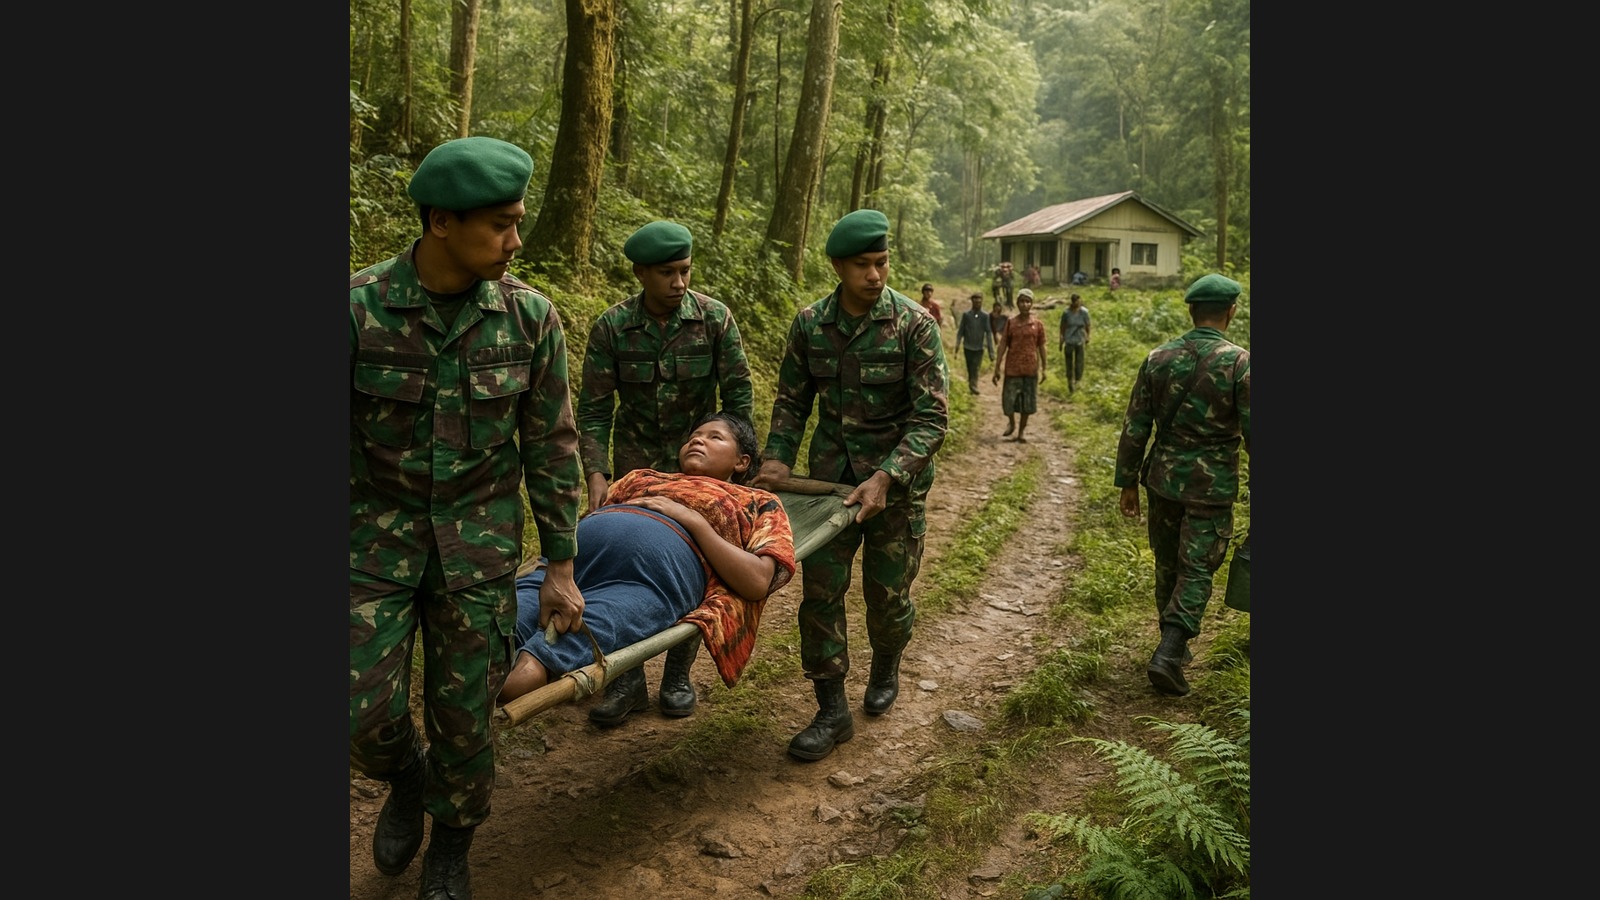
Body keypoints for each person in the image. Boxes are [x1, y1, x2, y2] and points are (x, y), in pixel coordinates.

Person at [349, 135, 587, 899]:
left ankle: (451, 848)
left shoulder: (528, 319)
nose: (516, 241)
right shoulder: (358, 307)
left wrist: (560, 565)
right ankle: (405, 777)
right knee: (360, 712)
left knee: (465, 721)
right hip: (371, 547)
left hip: (477, 554)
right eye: (500, 225)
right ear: (440, 222)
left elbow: (552, 446)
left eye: (518, 222)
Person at [752, 208, 949, 762]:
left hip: (895, 489)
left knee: (888, 599)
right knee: (819, 596)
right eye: (862, 264)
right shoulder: (811, 324)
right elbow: (792, 402)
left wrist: (887, 475)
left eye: (882, 263)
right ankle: (831, 709)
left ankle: (886, 664)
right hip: (828, 490)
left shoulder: (914, 325)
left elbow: (931, 419)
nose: (875, 275)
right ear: (838, 265)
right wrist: (777, 461)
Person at [575, 219, 754, 727]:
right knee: (624, 566)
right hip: (636, 469)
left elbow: (738, 397)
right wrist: (596, 474)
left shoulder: (715, 320)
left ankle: (678, 672)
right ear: (640, 273)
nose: (679, 282)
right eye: (667, 273)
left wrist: (734, 473)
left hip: (701, 472)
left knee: (694, 565)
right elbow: (592, 410)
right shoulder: (612, 327)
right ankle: (628, 679)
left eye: (685, 271)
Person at [501, 412, 796, 706]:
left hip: (645, 580)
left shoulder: (755, 501)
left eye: (714, 437)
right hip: (565, 569)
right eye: (695, 436)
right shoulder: (642, 477)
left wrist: (692, 520)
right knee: (493, 630)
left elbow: (758, 581)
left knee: (527, 673)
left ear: (741, 462)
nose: (698, 440)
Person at [1113, 273, 1250, 697]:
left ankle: (1170, 642)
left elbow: (1136, 424)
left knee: (1168, 561)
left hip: (1162, 479)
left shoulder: (1158, 357)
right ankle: (1171, 651)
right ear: (1231, 311)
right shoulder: (1239, 363)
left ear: (1190, 310)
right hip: (1211, 485)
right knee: (1197, 568)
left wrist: (1128, 482)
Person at [992, 287, 1047, 442]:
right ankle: (1011, 422)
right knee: (1008, 400)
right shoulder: (1011, 323)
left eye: (1027, 301)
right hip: (1012, 369)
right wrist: (997, 366)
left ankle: (1021, 431)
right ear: (1017, 303)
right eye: (1022, 301)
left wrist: (1044, 368)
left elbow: (1042, 346)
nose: (1024, 304)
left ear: (1031, 304)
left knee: (1027, 403)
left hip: (1030, 369)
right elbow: (1003, 345)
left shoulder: (1037, 324)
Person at [955, 292, 994, 395]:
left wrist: (991, 351)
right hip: (968, 346)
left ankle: (974, 385)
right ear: (972, 301)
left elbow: (988, 332)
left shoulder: (985, 316)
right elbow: (961, 331)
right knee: (970, 367)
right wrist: (957, 345)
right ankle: (972, 384)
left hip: (979, 347)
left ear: (982, 301)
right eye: (975, 299)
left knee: (976, 367)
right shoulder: (966, 315)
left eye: (979, 300)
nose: (977, 302)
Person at [1058, 293, 1091, 394]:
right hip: (1069, 340)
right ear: (1072, 302)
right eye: (1076, 301)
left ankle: (1077, 380)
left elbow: (1088, 325)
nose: (1077, 303)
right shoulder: (1066, 313)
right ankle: (1069, 380)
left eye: (1078, 301)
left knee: (1079, 361)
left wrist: (1087, 336)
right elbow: (1062, 327)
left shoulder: (1084, 312)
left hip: (1080, 339)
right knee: (1069, 362)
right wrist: (1061, 340)